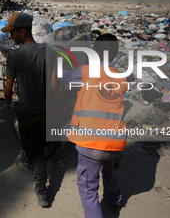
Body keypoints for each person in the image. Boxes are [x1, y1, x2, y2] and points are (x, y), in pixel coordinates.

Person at [61, 33, 127, 217]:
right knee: (110, 171)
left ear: (95, 52)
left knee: (88, 189)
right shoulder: (121, 78)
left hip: (90, 143)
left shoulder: (85, 71)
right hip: (115, 142)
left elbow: (62, 77)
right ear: (115, 54)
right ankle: (114, 201)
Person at [1, 12, 51, 208]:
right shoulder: (47, 50)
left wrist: (7, 101)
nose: (10, 37)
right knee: (36, 143)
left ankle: (41, 187)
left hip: (25, 110)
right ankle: (38, 179)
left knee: (30, 143)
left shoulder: (14, 55)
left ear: (22, 32)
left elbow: (8, 86)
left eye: (12, 33)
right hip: (44, 109)